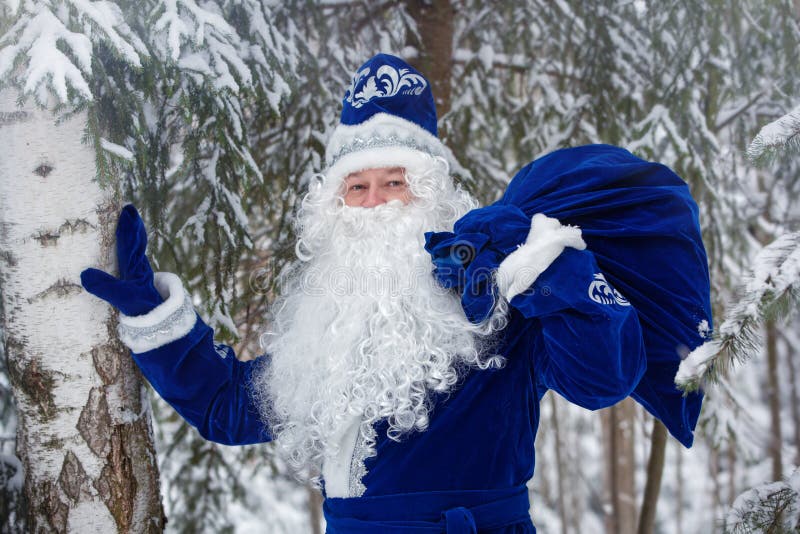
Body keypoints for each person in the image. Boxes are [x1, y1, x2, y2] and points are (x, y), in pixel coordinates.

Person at [81, 54, 711, 533]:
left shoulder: (501, 293)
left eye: (395, 182)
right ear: (333, 203)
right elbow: (229, 409)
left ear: (430, 194)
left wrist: (542, 263)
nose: (375, 203)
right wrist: (154, 314)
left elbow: (602, 379)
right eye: (357, 187)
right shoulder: (330, 323)